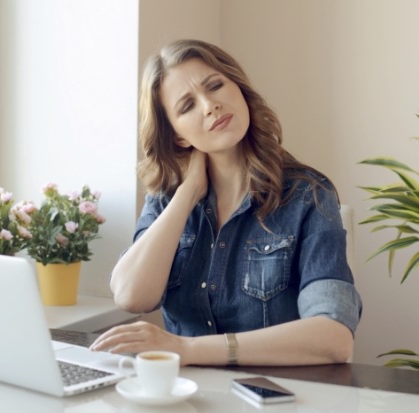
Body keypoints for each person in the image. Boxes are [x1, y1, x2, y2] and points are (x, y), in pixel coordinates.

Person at [90, 39, 362, 367]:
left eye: (216, 86)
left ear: (239, 89)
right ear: (179, 136)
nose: (209, 105)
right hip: (186, 395)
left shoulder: (308, 195)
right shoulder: (167, 199)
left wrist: (187, 349)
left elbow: (334, 338)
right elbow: (131, 296)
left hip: (277, 395)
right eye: (187, 106)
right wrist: (188, 192)